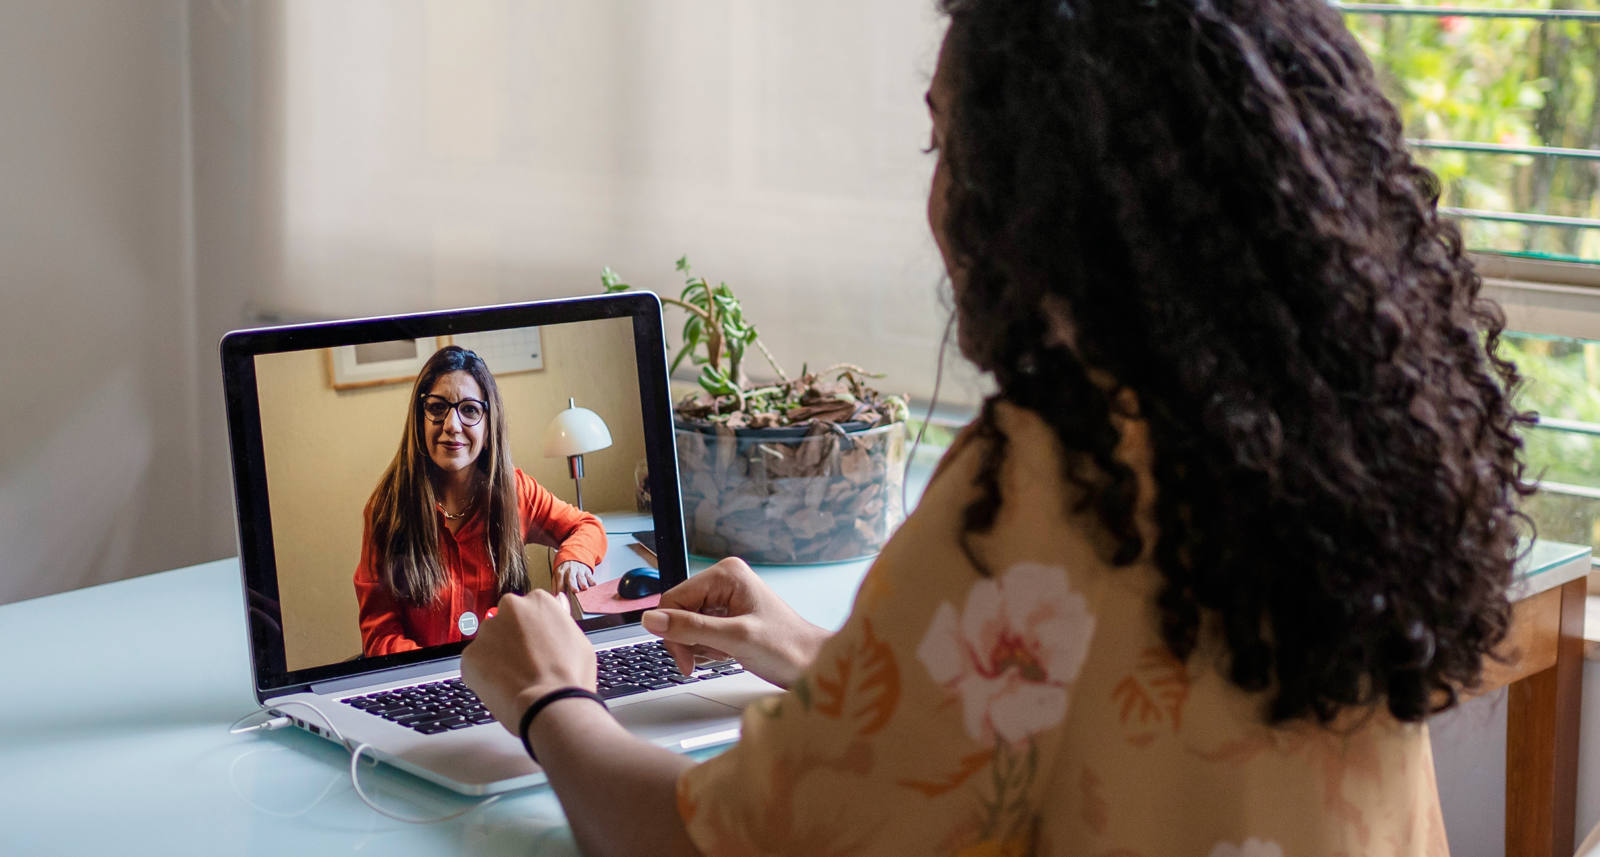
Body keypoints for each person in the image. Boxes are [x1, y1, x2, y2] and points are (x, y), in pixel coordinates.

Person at [461, 0, 1529, 853]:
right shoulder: (1314, 428)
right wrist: (826, 658)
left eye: (944, 141)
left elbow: (712, 841)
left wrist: (551, 698)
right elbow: (1123, 696)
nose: (935, 195)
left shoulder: (1062, 472)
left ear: (1047, 187)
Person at [354, 345, 607, 657]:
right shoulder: (387, 508)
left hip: (506, 673)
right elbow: (379, 635)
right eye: (437, 408)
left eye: (470, 410)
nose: (452, 425)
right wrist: (439, 675)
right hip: (427, 685)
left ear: (489, 425)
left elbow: (586, 526)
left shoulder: (516, 491)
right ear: (420, 419)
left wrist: (572, 558)